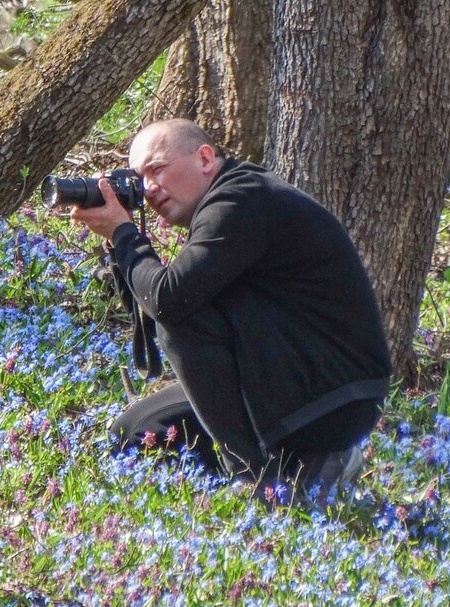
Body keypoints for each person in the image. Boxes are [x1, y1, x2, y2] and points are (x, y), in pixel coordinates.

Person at [71, 119, 392, 492]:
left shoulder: (241, 199)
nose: (149, 189)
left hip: (332, 399)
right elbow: (157, 301)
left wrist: (123, 234)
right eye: (140, 179)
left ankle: (262, 478)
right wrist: (118, 241)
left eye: (156, 169)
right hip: (290, 382)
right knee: (137, 433)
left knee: (183, 318)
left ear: (205, 158)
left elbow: (169, 301)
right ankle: (308, 464)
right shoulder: (226, 203)